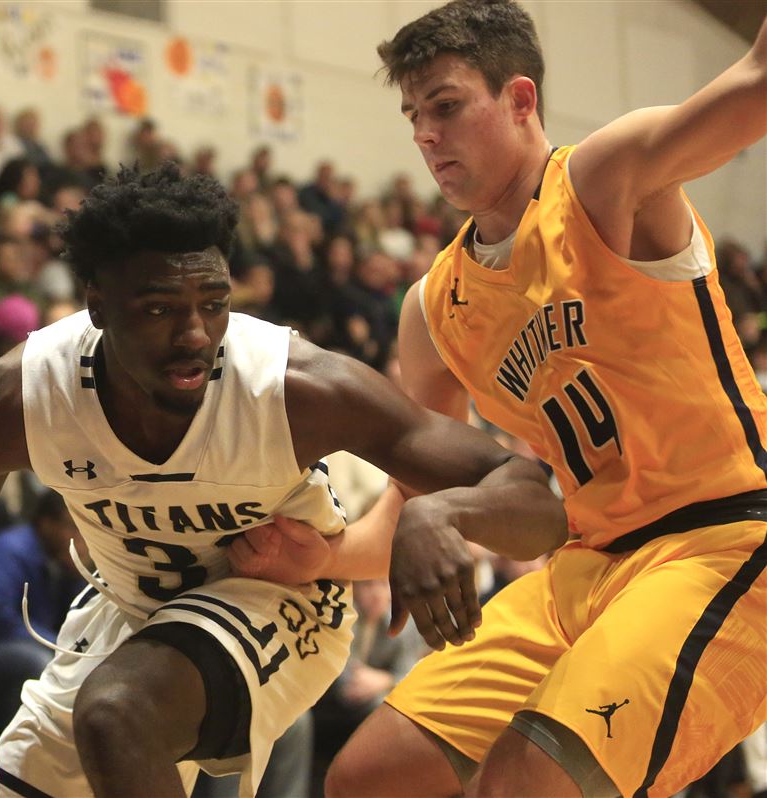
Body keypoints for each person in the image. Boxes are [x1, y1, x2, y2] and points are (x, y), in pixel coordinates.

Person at [0, 163, 567, 798]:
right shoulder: (21, 396)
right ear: (96, 304)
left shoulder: (296, 387)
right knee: (91, 724)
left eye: (213, 303)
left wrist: (436, 517)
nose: (194, 332)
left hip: (284, 599)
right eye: (160, 308)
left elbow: (531, 495)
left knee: (116, 711)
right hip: (128, 610)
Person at [288, 3, 767, 797]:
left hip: (724, 543)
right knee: (367, 779)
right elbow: (413, 501)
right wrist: (327, 556)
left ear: (519, 100)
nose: (425, 136)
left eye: (445, 106)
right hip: (584, 566)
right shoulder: (434, 306)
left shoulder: (604, 180)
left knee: (524, 784)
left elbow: (754, 81)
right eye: (413, 116)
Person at [0, 490, 87, 736]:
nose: (79, 538)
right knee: (38, 665)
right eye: (71, 527)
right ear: (46, 523)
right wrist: (58, 647)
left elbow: (73, 622)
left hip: (9, 649)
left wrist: (78, 575)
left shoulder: (60, 563)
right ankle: (9, 761)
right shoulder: (10, 549)